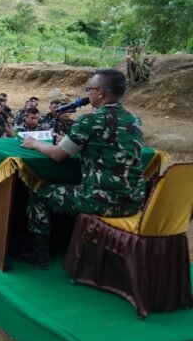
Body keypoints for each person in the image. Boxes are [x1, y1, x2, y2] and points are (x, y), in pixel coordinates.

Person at [19, 69, 146, 269]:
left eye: (90, 88)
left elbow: (58, 155)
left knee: (38, 194)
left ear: (101, 93)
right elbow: (107, 146)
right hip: (134, 202)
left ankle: (39, 254)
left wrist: (35, 143)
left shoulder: (91, 120)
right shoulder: (135, 120)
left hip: (101, 200)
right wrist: (70, 142)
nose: (88, 93)